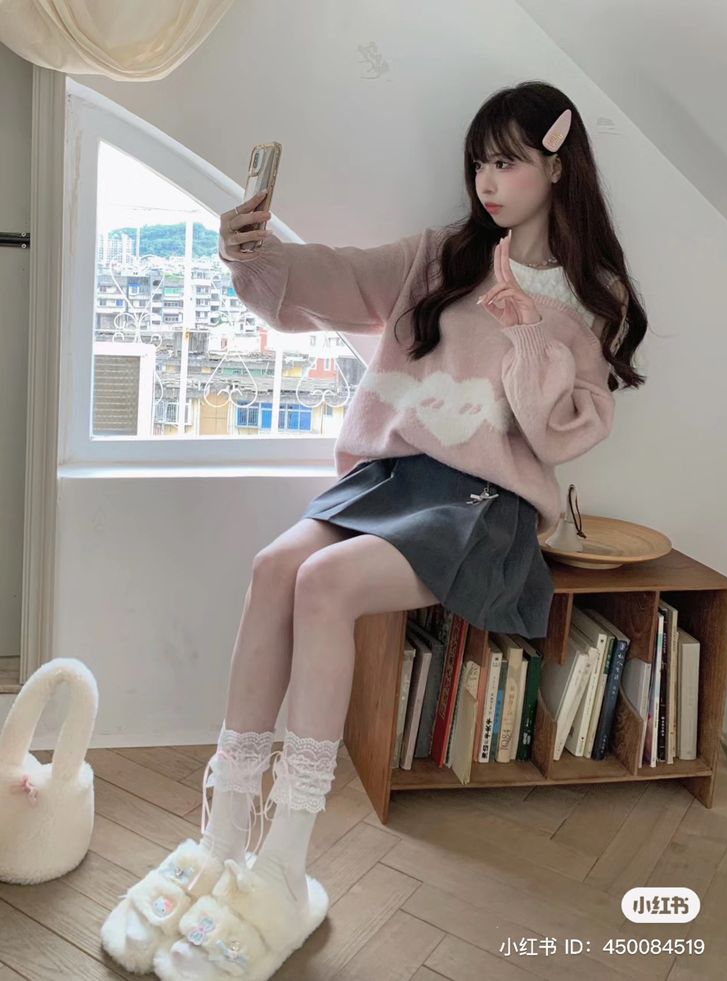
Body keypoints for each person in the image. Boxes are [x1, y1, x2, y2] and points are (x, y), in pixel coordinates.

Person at [101, 80, 647, 980]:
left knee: (327, 583)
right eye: (479, 160)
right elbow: (339, 277)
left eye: (507, 159)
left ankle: (284, 861)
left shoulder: (593, 299)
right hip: (389, 477)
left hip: (481, 502)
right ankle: (222, 834)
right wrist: (258, 253)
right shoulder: (441, 256)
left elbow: (562, 433)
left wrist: (526, 338)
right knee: (278, 564)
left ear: (557, 163)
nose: (487, 178)